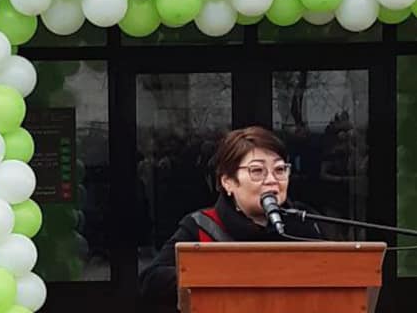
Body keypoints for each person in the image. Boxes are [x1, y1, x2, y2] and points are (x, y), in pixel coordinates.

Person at [138, 126, 325, 304]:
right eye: (257, 171)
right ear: (228, 181)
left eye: (279, 170)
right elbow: (151, 281)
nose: (271, 180)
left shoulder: (304, 222)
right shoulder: (202, 226)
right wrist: (221, 275)